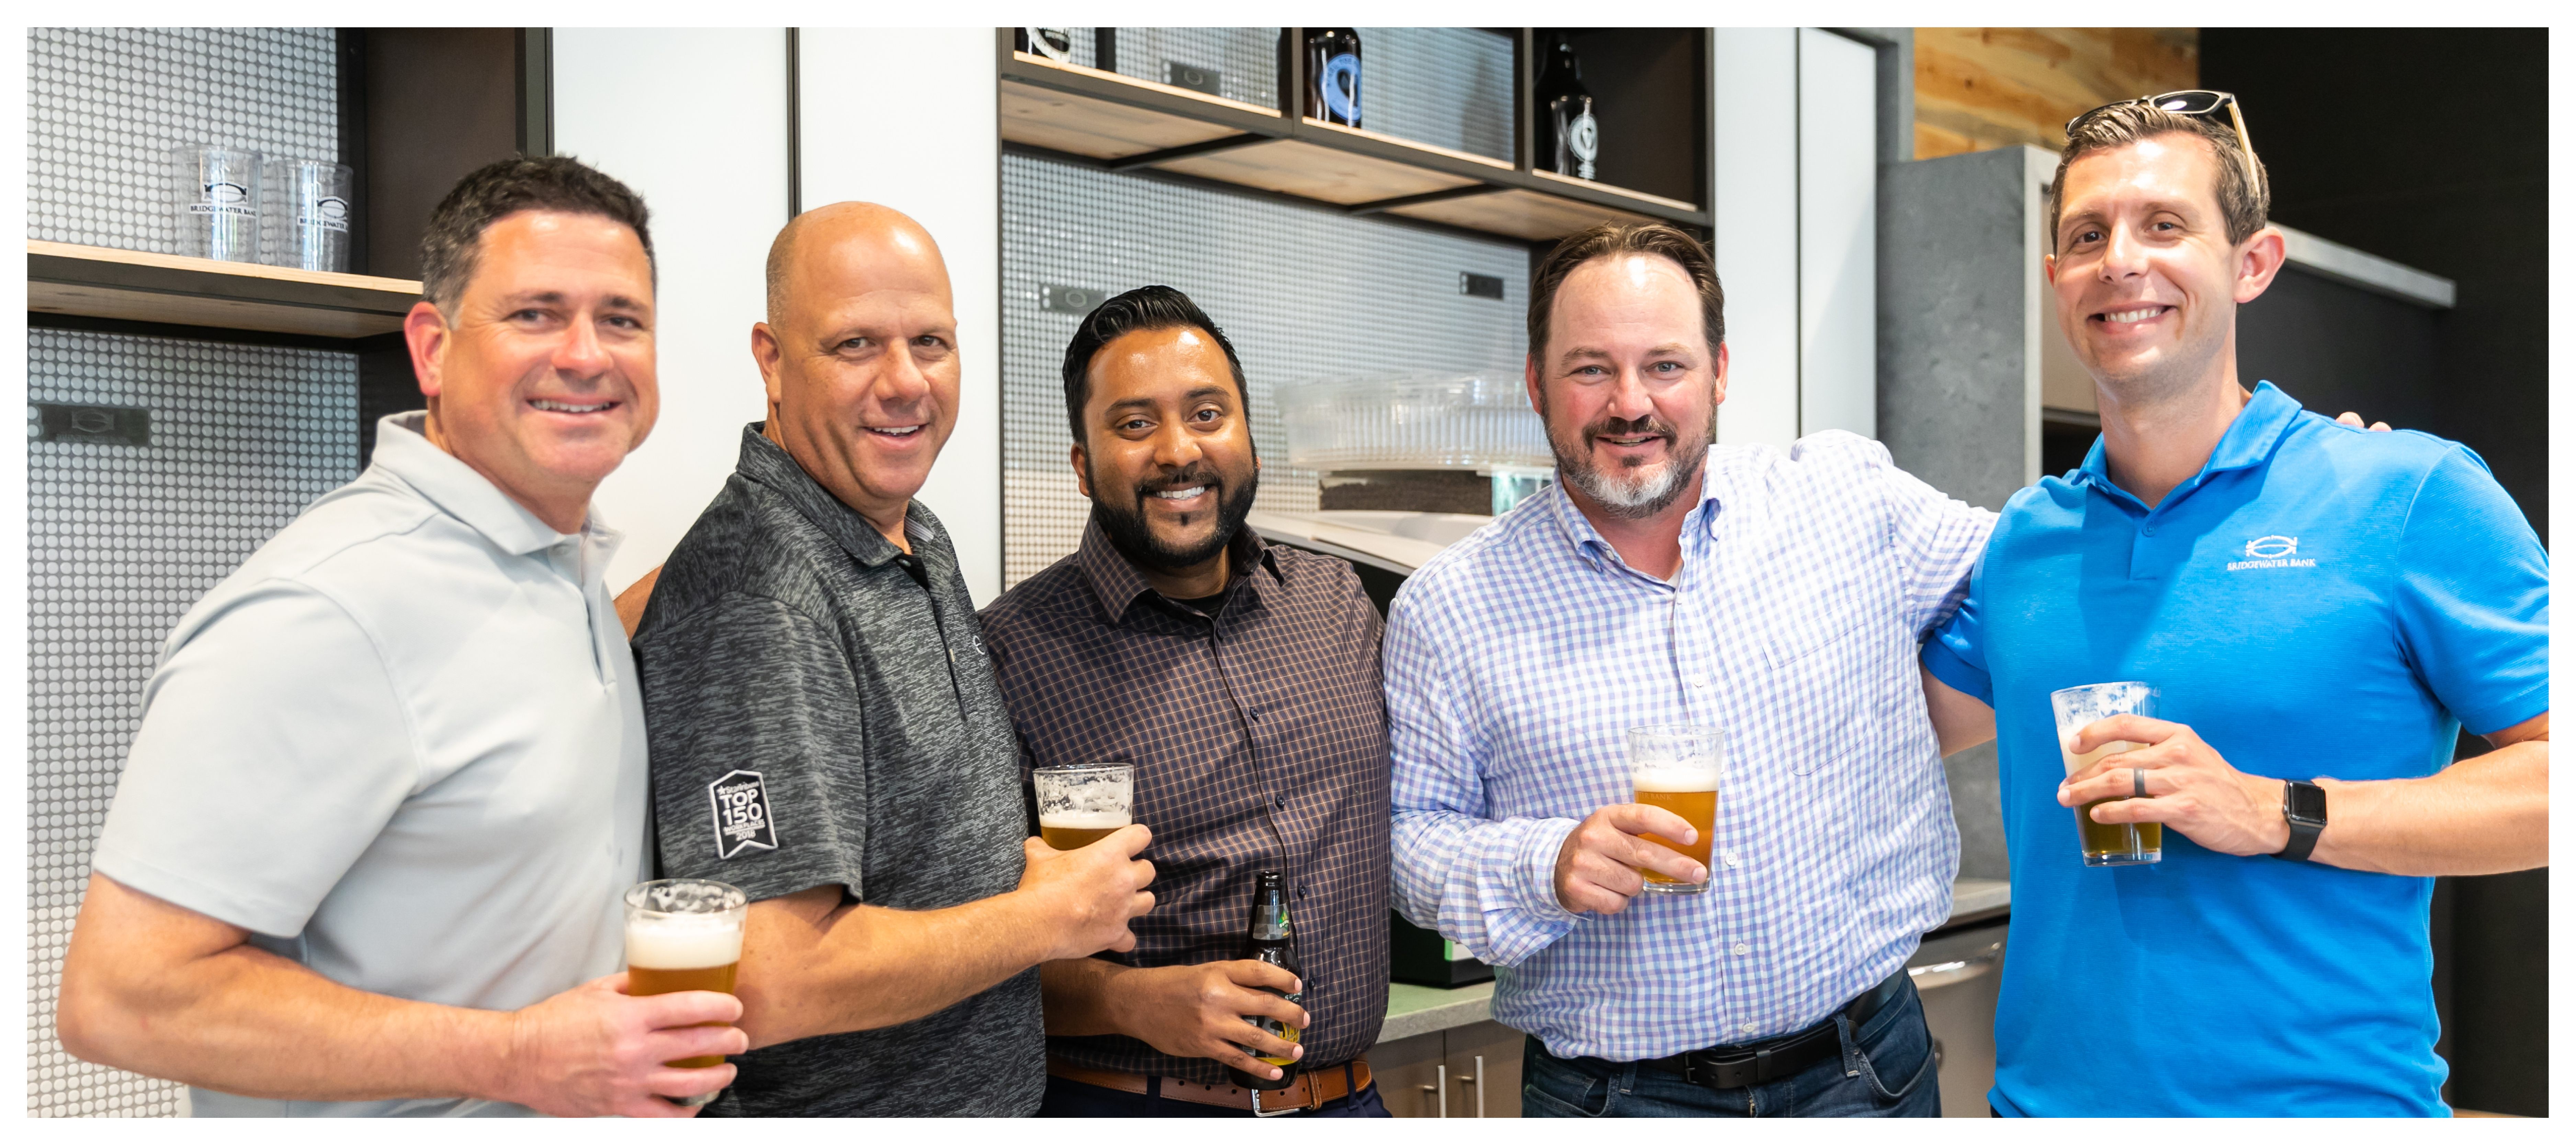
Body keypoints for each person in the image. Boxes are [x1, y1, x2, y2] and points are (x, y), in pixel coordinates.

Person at [55, 157, 743, 1117]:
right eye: (535, 313)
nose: (588, 354)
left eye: (621, 319)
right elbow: (121, 999)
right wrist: (517, 1055)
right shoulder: (327, 607)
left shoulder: (555, 560)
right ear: (432, 348)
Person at [1918, 93, 2548, 1117]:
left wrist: (2271, 809)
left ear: (2251, 263)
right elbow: (1871, 732)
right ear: (2054, 281)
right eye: (2087, 235)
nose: (2119, 258)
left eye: (2163, 224)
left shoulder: (2405, 493)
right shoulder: (2026, 538)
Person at [1384, 222, 1993, 1118]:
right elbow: (1408, 838)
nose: (1630, 403)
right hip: (1615, 1099)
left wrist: (1916, 721)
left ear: (1718, 372)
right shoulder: (1449, 606)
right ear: (1535, 383)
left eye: (1664, 365)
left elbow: (2026, 578)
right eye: (1590, 367)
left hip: (1865, 1069)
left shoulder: (1840, 497)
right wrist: (1545, 859)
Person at [628, 202, 1156, 1116]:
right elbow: (771, 976)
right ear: (772, 360)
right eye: (854, 345)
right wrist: (1047, 914)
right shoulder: (762, 598)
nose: (905, 381)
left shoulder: (912, 531)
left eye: (932, 342)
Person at [979, 286, 1394, 1118]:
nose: (1178, 450)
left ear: (1249, 439)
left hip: (1352, 1100)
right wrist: (1135, 1001)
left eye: (1208, 413)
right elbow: (972, 949)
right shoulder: (1010, 651)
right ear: (1082, 462)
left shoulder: (1339, 602)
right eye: (1134, 425)